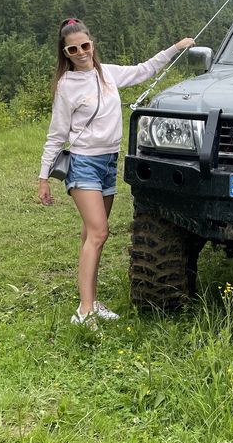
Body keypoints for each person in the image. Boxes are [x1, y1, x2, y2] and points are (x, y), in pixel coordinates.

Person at [38, 17, 195, 329]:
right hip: (83, 163)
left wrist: (175, 49)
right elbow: (56, 135)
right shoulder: (66, 86)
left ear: (92, 45)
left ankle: (92, 301)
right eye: (73, 49)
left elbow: (144, 69)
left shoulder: (107, 73)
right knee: (99, 233)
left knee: (90, 234)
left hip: (109, 162)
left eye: (85, 45)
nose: (81, 52)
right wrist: (43, 178)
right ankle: (85, 312)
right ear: (65, 54)